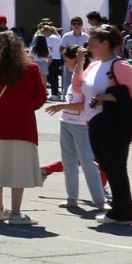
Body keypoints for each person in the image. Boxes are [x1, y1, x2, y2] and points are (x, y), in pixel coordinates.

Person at [76, 27, 132, 225]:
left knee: (115, 167)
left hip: (114, 122)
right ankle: (120, 209)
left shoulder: (119, 65)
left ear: (105, 43)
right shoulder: (94, 65)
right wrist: (79, 63)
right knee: (108, 166)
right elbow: (79, 87)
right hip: (95, 121)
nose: (88, 46)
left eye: (92, 42)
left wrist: (106, 97)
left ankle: (123, 213)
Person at [44, 46, 103, 213]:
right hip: (66, 122)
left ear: (75, 59)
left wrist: (62, 106)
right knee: (69, 161)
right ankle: (72, 197)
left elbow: (86, 105)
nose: (64, 64)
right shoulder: (74, 77)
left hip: (81, 125)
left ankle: (100, 200)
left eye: (66, 60)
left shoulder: (85, 78)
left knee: (87, 162)